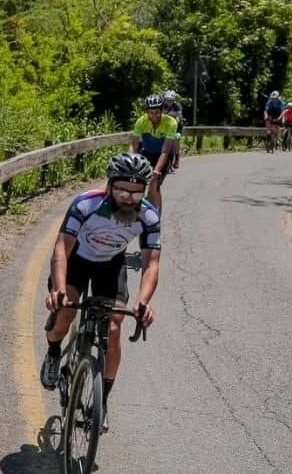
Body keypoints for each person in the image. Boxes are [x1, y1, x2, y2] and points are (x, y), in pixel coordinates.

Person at [39, 152, 160, 425]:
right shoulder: (86, 204)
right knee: (65, 315)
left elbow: (151, 262)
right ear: (110, 186)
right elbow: (61, 247)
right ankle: (54, 352)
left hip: (110, 263)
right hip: (77, 259)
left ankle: (101, 401)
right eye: (122, 191)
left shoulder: (149, 215)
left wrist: (143, 301)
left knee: (114, 328)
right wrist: (58, 289)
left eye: (136, 192)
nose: (128, 198)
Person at [130, 94, 178, 211]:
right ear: (147, 112)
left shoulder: (170, 123)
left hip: (164, 156)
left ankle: (156, 216)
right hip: (147, 153)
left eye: (157, 112)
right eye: (151, 112)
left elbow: (165, 151)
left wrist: (156, 171)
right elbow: (134, 146)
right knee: (135, 182)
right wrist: (130, 162)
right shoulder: (141, 121)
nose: (154, 115)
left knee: (154, 184)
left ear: (162, 110)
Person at [162, 89, 185, 169]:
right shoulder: (162, 105)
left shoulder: (177, 106)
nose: (168, 102)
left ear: (173, 100)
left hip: (177, 127)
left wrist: (175, 123)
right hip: (166, 127)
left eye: (170, 100)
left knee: (175, 140)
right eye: (167, 100)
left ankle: (177, 159)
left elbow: (178, 118)